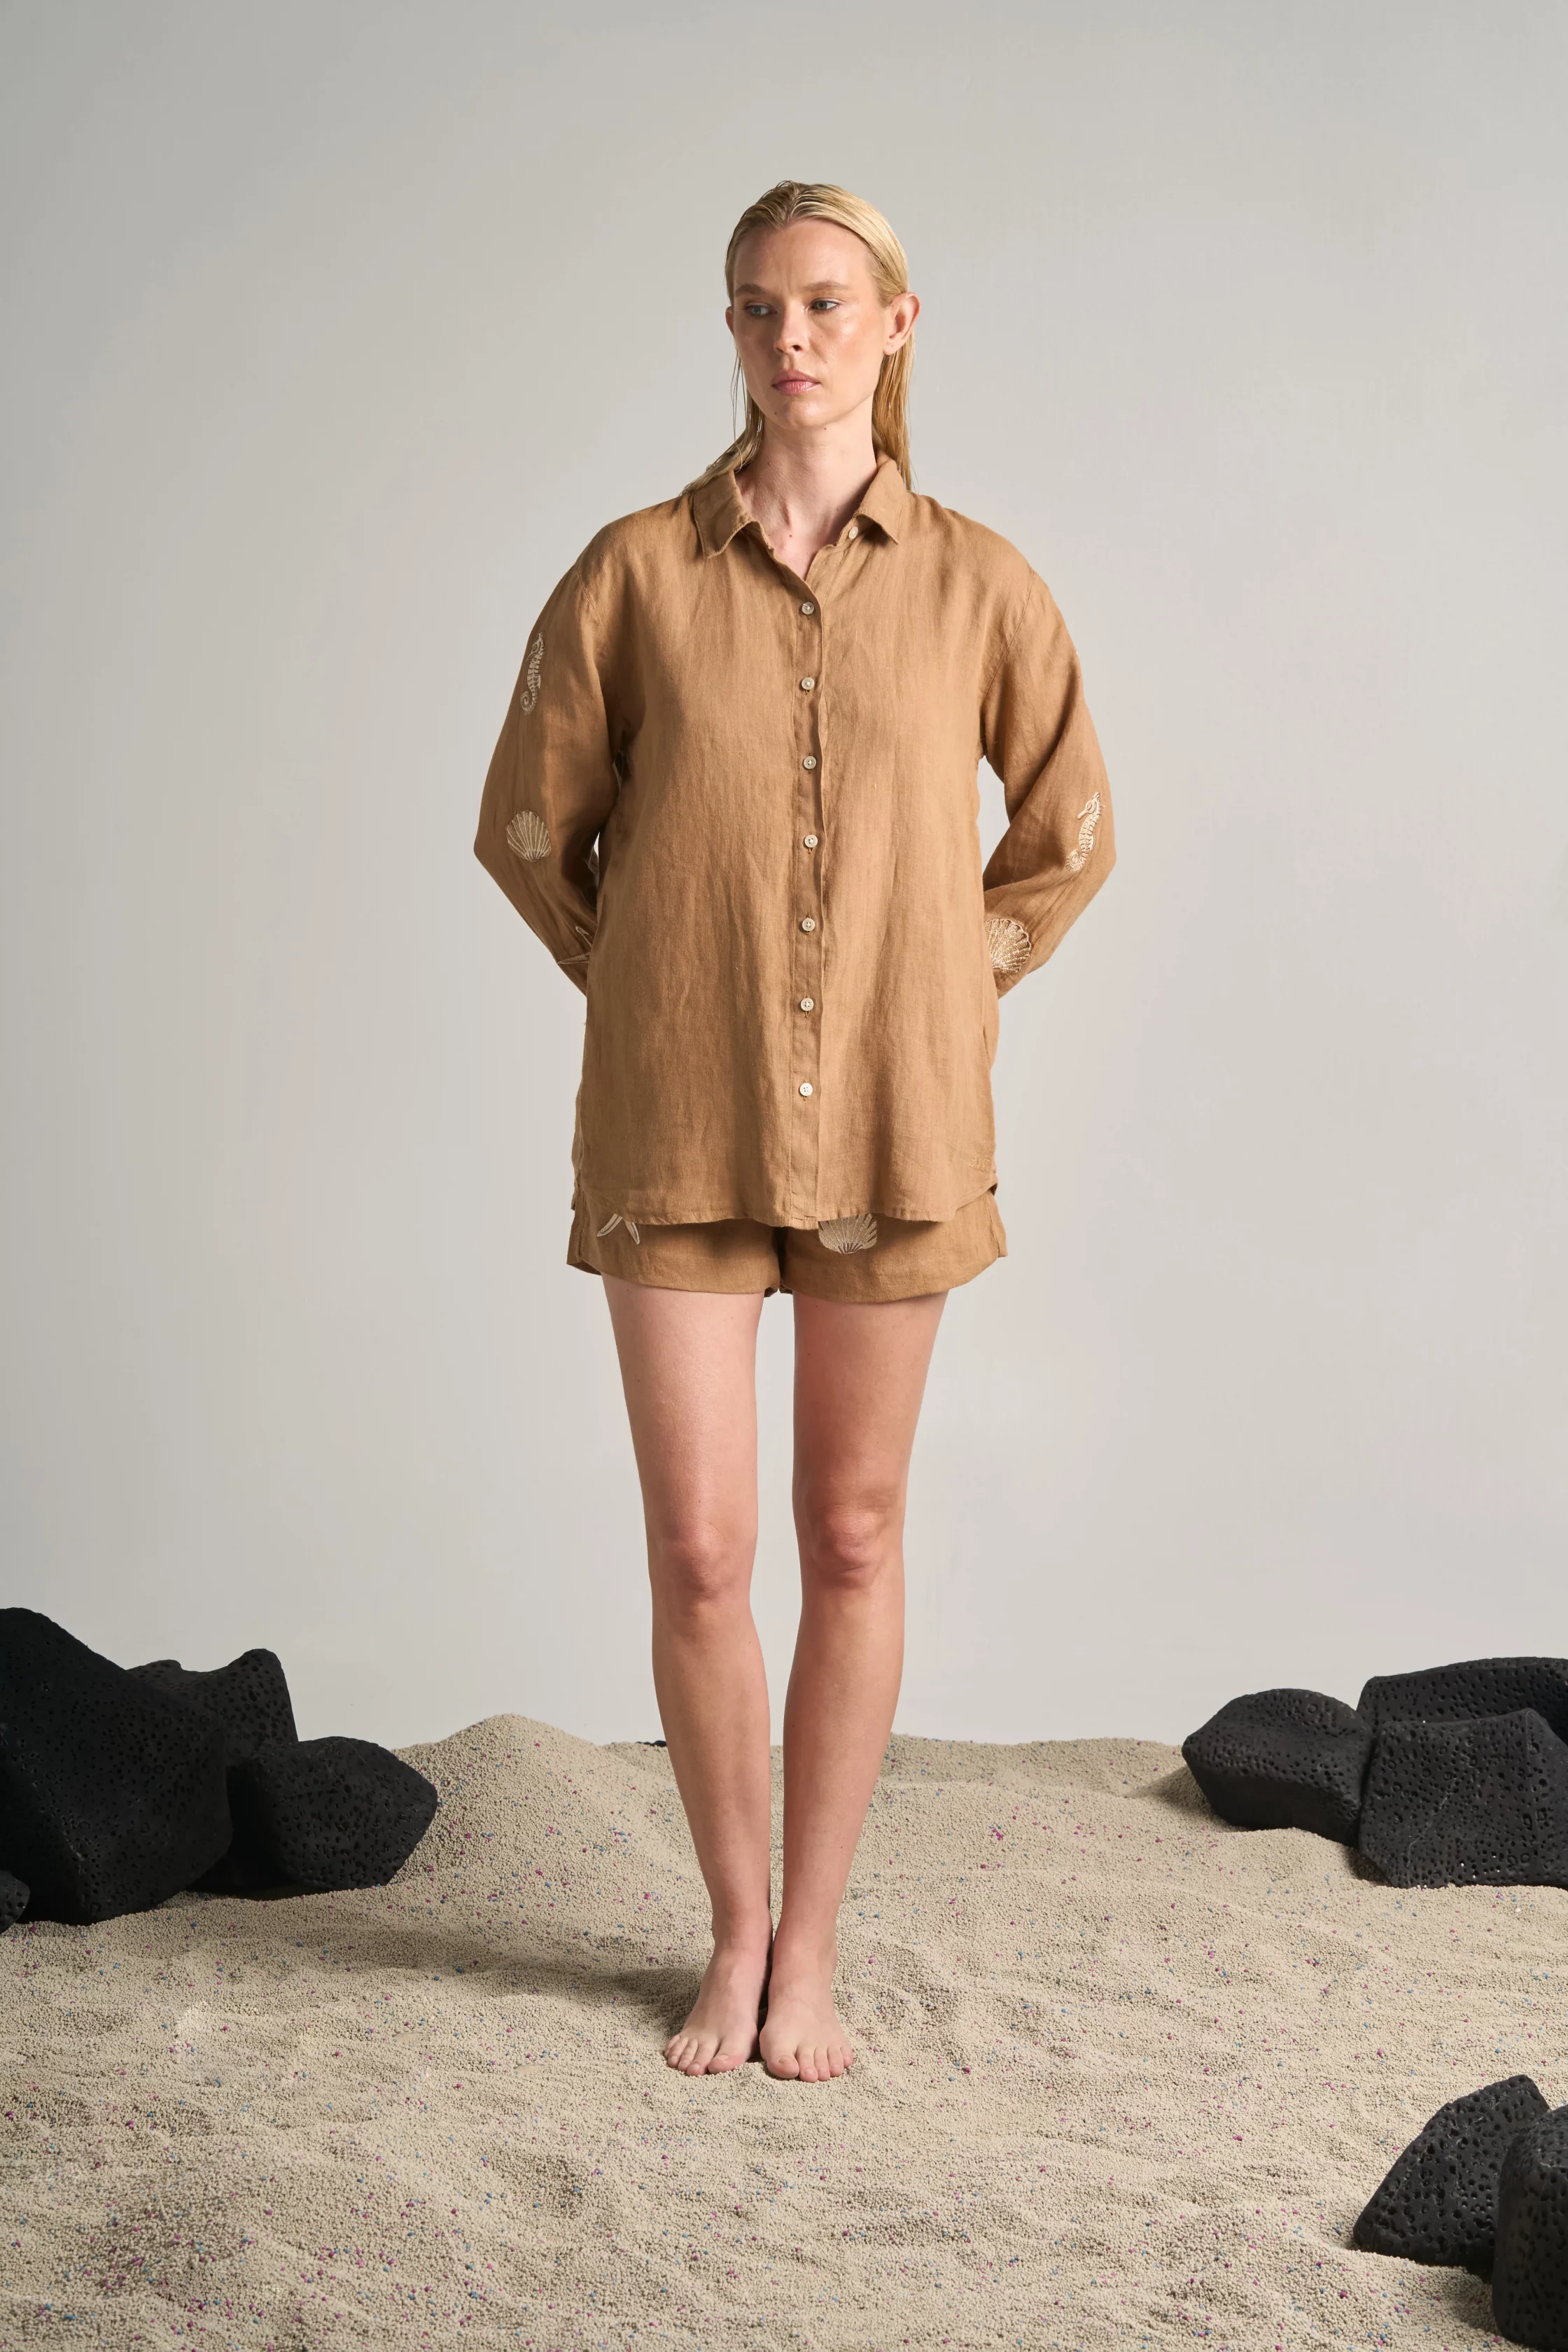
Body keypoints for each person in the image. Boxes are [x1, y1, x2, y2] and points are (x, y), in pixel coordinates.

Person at [475, 179, 1114, 2082]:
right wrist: (653, 982)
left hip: (897, 1130)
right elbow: (528, 824)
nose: (791, 339)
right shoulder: (632, 574)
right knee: (699, 1547)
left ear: (897, 325)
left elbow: (1070, 831)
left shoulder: (982, 584)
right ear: (733, 331)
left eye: (827, 303)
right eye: (759, 307)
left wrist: (941, 984)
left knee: (850, 1531)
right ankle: (734, 1932)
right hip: (678, 1121)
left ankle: (813, 1945)